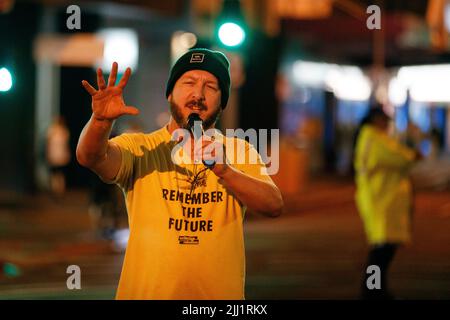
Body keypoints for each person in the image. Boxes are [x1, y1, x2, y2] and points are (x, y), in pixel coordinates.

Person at [76, 48, 283, 300]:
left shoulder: (239, 150)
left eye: (211, 86)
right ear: (170, 93)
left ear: (222, 101)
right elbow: (90, 157)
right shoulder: (141, 147)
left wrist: (225, 171)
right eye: (189, 83)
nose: (198, 93)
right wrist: (99, 122)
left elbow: (273, 205)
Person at [353, 107, 421, 300]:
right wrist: (412, 155)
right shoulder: (374, 138)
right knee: (381, 249)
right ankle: (372, 289)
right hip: (381, 199)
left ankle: (375, 288)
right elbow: (397, 157)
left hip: (383, 198)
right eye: (384, 120)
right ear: (376, 119)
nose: (386, 124)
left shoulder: (373, 137)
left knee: (383, 249)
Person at [46, 116, 71, 197]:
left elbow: (66, 145)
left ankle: (59, 191)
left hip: (60, 156)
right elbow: (48, 144)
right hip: (55, 156)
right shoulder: (53, 131)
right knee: (56, 174)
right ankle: (57, 191)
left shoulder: (63, 131)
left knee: (59, 174)